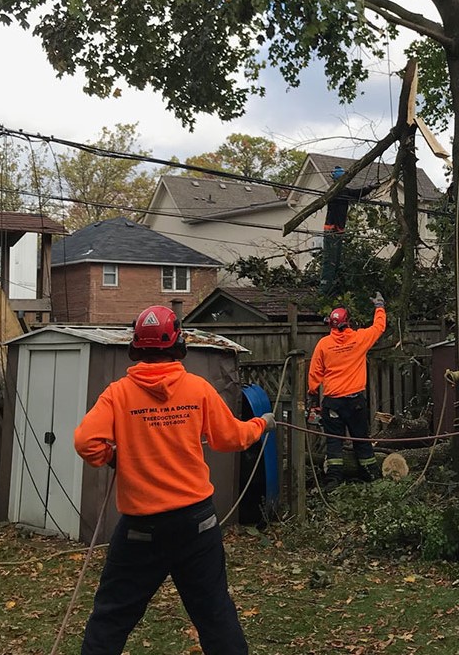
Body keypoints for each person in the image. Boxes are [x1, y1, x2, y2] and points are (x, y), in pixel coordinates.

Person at [74, 305, 276, 655]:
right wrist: (262, 424)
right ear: (178, 343)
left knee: (111, 618)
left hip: (141, 529)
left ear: (136, 346)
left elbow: (85, 442)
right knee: (215, 615)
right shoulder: (196, 389)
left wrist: (112, 457)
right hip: (196, 524)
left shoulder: (118, 394)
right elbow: (231, 437)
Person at [307, 292, 387, 489]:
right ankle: (370, 475)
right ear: (348, 322)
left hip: (332, 402)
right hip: (355, 401)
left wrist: (313, 400)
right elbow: (379, 327)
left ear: (331, 325)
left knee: (334, 442)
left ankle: (333, 480)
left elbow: (314, 376)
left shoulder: (323, 345)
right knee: (361, 438)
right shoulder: (360, 339)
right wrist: (379, 306)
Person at [321, 165, 382, 293]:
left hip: (338, 230)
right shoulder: (333, 192)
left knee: (335, 261)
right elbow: (354, 193)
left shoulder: (345, 191)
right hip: (331, 229)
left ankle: (332, 288)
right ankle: (325, 290)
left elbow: (357, 193)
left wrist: (370, 188)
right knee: (330, 261)